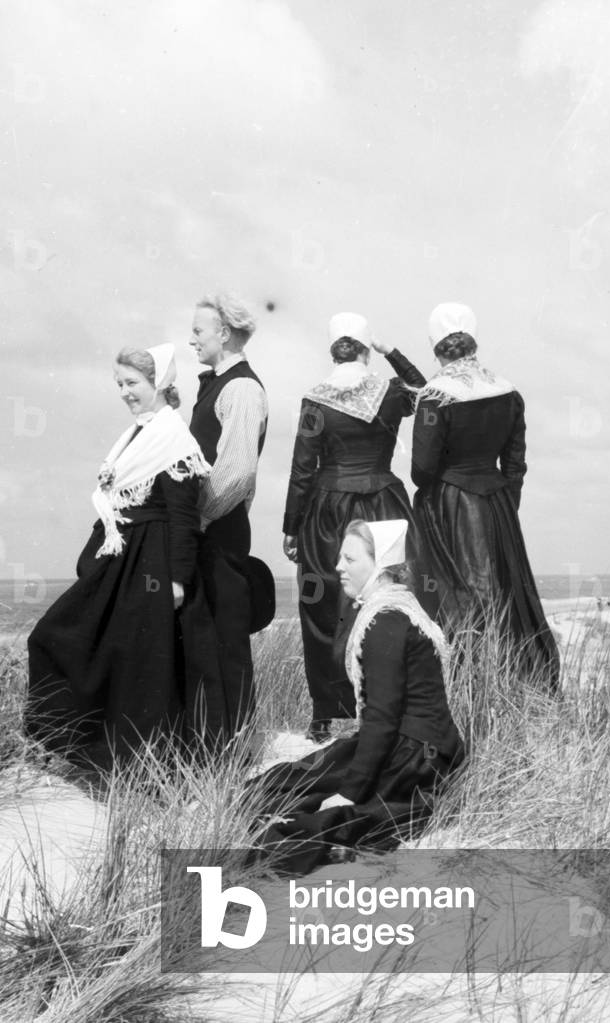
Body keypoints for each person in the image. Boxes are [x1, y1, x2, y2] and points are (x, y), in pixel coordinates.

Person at [25, 344, 226, 767]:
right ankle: (92, 751)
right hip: (125, 560)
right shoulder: (139, 433)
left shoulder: (173, 439)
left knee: (140, 667)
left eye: (132, 383)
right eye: (119, 384)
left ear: (159, 383)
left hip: (152, 564)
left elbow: (183, 516)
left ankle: (136, 767)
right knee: (55, 637)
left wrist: (177, 580)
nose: (124, 392)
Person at [251, 519, 465, 875]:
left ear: (379, 566)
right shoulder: (399, 607)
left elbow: (382, 717)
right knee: (300, 776)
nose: (338, 567)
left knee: (315, 800)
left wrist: (350, 792)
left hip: (411, 756)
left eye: (349, 559)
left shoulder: (385, 621)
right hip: (421, 749)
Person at [282, 313, 427, 743]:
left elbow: (302, 467)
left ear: (333, 350)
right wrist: (390, 351)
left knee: (323, 609)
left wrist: (291, 526)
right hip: (384, 505)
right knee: (390, 603)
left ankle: (325, 717)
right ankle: (385, 708)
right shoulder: (391, 393)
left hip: (328, 509)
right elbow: (423, 387)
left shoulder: (315, 400)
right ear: (365, 349)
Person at [411, 302, 560, 688]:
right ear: (473, 340)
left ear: (435, 345)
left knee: (460, 600)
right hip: (498, 506)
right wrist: (505, 508)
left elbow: (421, 471)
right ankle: (521, 682)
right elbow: (515, 465)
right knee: (508, 596)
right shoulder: (508, 392)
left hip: (451, 506)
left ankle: (468, 688)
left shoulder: (434, 395)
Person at [189, 292, 269, 738]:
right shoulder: (219, 384)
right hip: (214, 528)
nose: (192, 339)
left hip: (218, 531)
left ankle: (233, 748)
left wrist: (197, 520)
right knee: (208, 638)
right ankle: (213, 742)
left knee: (225, 638)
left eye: (197, 330)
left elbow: (237, 472)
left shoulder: (241, 388)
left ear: (223, 333)